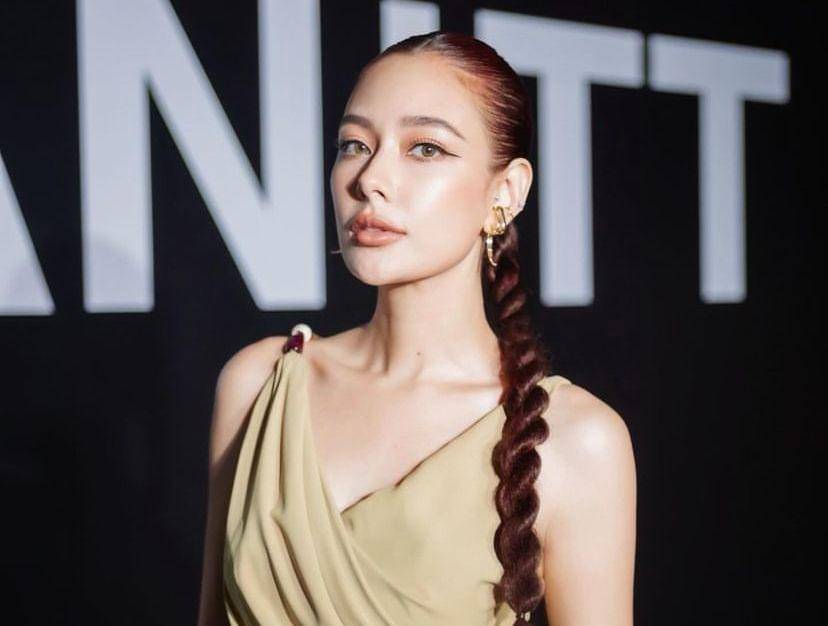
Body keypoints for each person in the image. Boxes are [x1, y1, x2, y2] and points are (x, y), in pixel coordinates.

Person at [197, 31, 636, 626]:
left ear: (506, 192)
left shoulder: (576, 440)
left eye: (425, 148)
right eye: (354, 144)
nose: (370, 179)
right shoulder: (258, 383)